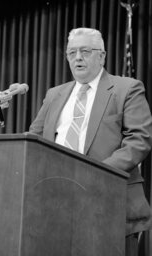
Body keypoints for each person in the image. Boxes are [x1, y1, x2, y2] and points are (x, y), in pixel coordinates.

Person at [29, 27, 152, 255]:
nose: (77, 58)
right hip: (56, 204)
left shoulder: (127, 88)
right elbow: (33, 141)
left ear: (102, 56)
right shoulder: (54, 94)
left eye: (85, 51)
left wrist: (95, 173)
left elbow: (139, 140)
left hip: (109, 203)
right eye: (71, 52)